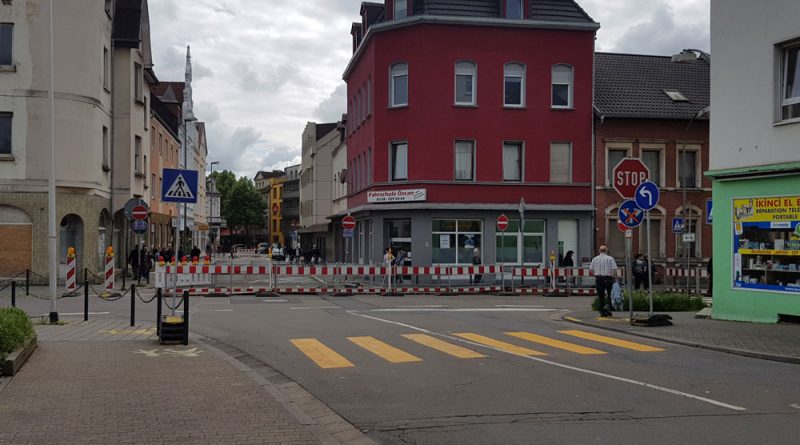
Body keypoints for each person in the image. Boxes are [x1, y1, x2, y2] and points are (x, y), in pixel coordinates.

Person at [590, 245, 617, 317]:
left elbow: (591, 269)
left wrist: (595, 274)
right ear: (606, 251)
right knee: (610, 294)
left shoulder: (595, 259)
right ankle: (608, 307)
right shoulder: (610, 258)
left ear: (599, 251)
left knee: (600, 295)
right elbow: (614, 269)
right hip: (608, 278)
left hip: (599, 278)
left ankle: (602, 311)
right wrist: (614, 277)